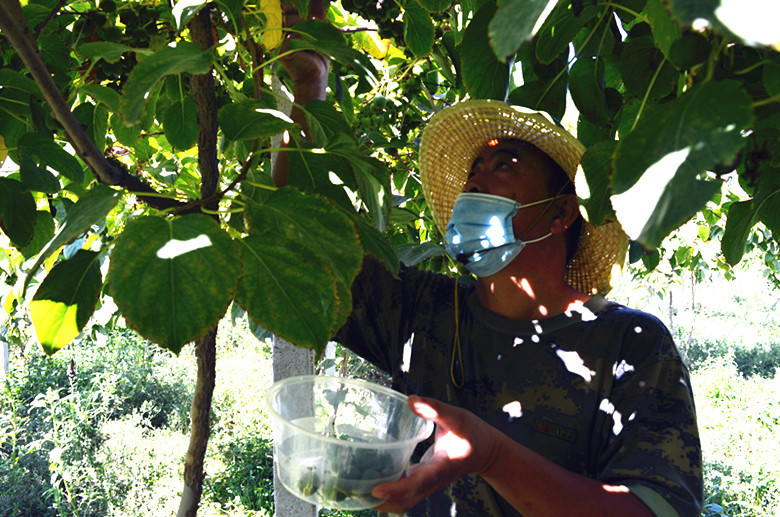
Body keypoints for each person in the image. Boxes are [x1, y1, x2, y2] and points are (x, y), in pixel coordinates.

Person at [273, 19, 703, 517]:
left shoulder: (630, 345)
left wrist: (492, 454)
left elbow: (655, 510)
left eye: (504, 167)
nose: (475, 184)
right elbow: (296, 238)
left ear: (562, 213)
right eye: (474, 171)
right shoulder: (418, 309)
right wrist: (309, 88)